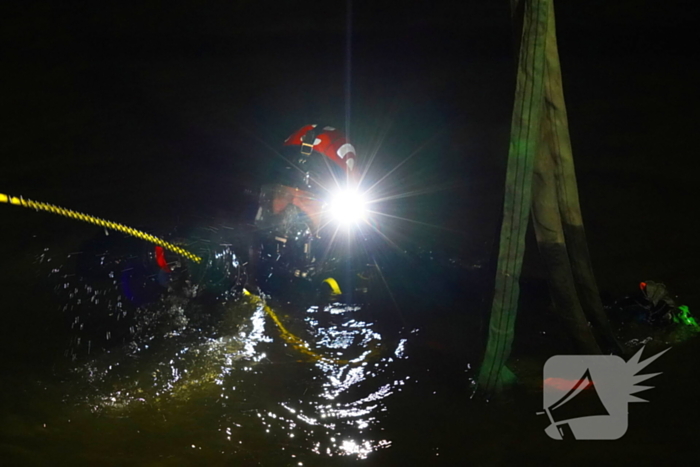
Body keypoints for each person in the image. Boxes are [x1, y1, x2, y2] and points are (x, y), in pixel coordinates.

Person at [247, 125, 357, 291]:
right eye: (283, 194)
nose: (292, 207)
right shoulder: (243, 267)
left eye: (308, 198)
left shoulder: (362, 280)